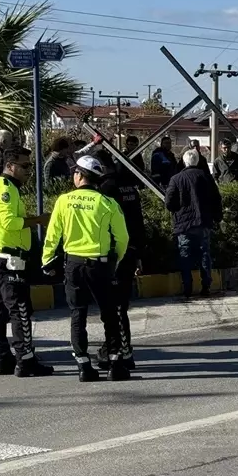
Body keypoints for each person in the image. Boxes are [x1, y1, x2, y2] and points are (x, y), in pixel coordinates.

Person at [42, 155, 131, 382]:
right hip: (99, 266)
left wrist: (46, 260)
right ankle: (114, 364)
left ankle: (83, 366)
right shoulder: (107, 202)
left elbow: (53, 235)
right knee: (109, 315)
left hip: (73, 265)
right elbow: (122, 238)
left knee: (77, 314)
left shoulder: (63, 201)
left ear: (80, 175)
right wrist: (116, 261)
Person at [0, 146, 54, 377]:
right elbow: (9, 222)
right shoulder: (6, 188)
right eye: (25, 166)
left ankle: (2, 359)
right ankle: (25, 359)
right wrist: (38, 220)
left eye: (31, 166)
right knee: (19, 309)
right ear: (10, 166)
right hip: (9, 259)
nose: (29, 170)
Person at [96, 149, 145, 373]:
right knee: (119, 305)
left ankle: (122, 352)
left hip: (115, 253)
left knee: (114, 307)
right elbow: (139, 222)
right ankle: (118, 348)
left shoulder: (106, 190)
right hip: (131, 250)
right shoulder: (130, 187)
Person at [164, 148, 223, 297]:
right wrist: (217, 217)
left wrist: (178, 210)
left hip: (184, 224)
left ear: (184, 161)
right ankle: (206, 286)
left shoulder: (176, 179)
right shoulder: (206, 177)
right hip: (203, 222)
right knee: (204, 253)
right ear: (197, 161)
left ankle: (187, 288)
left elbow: (169, 203)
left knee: (185, 255)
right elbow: (217, 199)